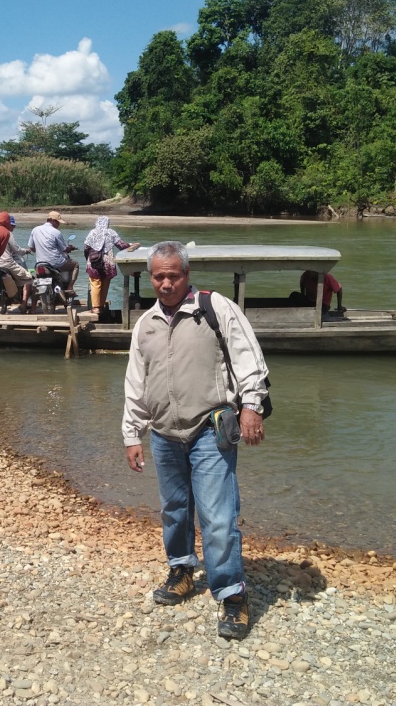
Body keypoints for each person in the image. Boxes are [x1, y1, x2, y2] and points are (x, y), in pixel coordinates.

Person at [123, 241, 269, 641]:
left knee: (218, 517)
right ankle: (182, 571)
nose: (166, 283)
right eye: (159, 276)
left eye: (174, 275)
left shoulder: (214, 307)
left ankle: (232, 596)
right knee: (174, 509)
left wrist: (251, 407)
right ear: (151, 278)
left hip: (209, 429)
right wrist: (131, 434)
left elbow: (248, 358)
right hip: (164, 434)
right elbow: (136, 383)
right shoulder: (146, 324)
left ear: (187, 275)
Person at [83, 216, 140, 314]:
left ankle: (96, 307)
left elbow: (86, 248)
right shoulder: (111, 232)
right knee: (105, 283)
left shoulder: (92, 232)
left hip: (94, 261)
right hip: (107, 262)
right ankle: (100, 306)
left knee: (95, 283)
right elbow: (121, 246)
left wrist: (87, 259)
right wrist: (131, 245)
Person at [0, 214, 34, 313]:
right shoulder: (7, 233)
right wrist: (26, 251)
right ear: (7, 224)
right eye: (12, 225)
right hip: (7, 263)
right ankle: (23, 305)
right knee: (29, 278)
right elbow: (17, 250)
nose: (13, 228)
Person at [27, 210, 78, 299]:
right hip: (56, 263)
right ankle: (70, 287)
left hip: (40, 264)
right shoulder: (56, 232)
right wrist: (70, 248)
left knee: (37, 282)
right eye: (58, 222)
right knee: (75, 264)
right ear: (53, 221)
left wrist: (40, 249)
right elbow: (64, 249)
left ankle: (33, 308)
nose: (58, 225)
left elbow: (32, 248)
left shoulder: (35, 230)